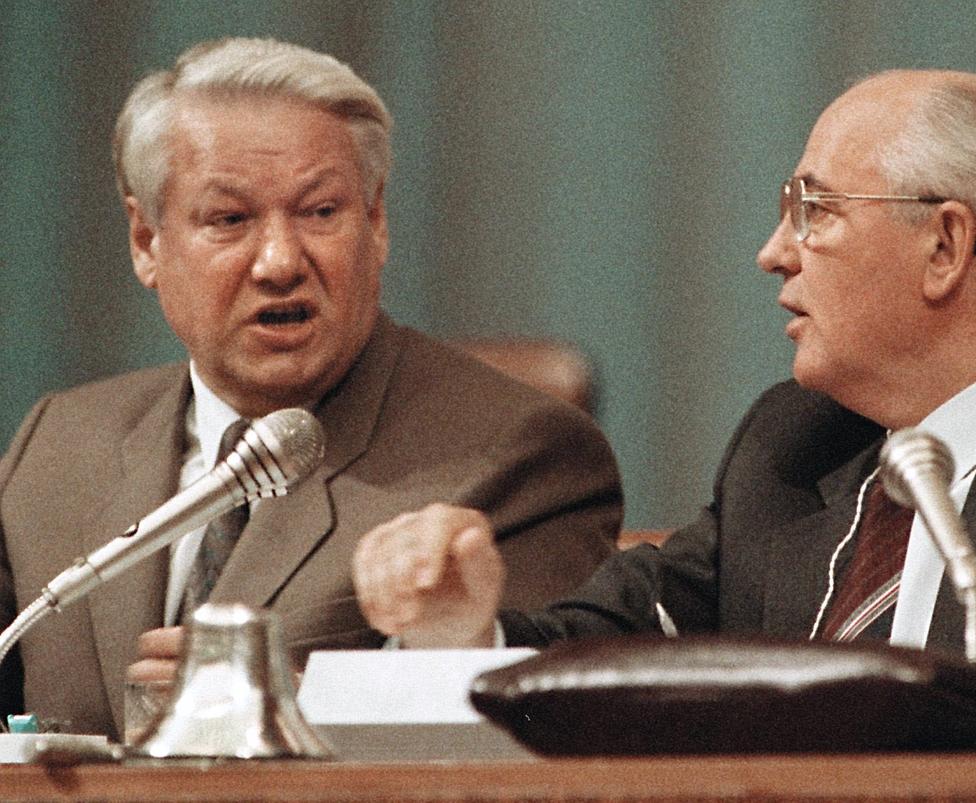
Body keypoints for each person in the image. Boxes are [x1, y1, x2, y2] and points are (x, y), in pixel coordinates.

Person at [352, 69, 976, 720]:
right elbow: (622, 643)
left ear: (946, 245)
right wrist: (464, 630)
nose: (772, 252)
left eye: (813, 210)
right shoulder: (794, 445)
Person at [0, 37, 622, 739]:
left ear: (377, 222)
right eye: (230, 219)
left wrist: (313, 714)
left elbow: (546, 729)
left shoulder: (521, 457)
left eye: (320, 212)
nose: (279, 261)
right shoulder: (60, 444)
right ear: (147, 242)